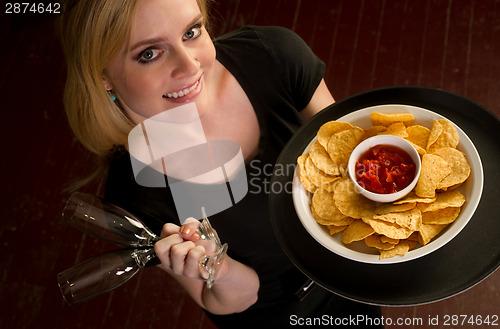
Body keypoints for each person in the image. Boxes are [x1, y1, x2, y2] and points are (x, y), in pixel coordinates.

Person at [60, 0, 383, 327]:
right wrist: (219, 267)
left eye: (190, 32)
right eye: (149, 53)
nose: (189, 67)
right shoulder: (134, 194)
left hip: (355, 270)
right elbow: (234, 299)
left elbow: (356, 160)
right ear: (103, 77)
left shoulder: (272, 55)